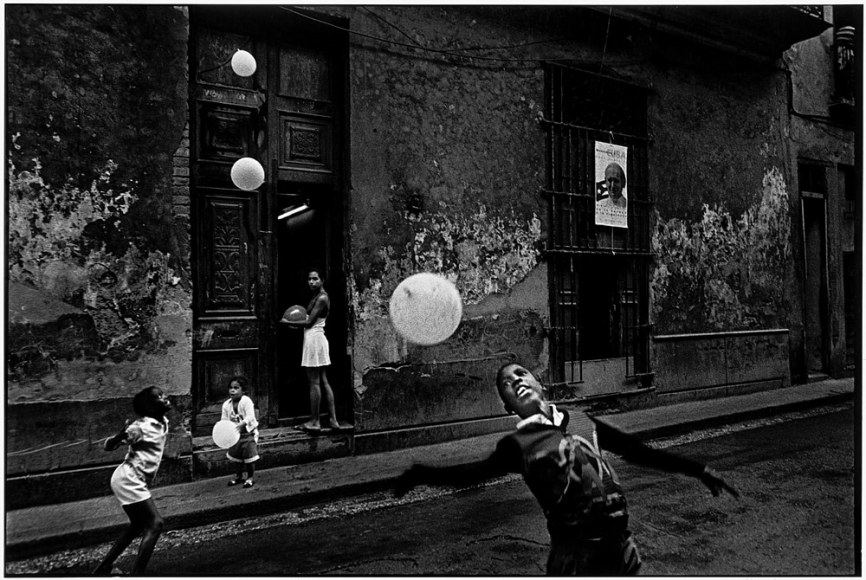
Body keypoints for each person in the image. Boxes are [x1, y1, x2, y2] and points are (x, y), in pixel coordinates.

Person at [394, 362, 739, 576]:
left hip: (620, 550)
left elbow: (636, 451)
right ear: (506, 405)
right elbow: (470, 475)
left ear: (540, 383)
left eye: (521, 373)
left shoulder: (581, 421)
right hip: (577, 558)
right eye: (506, 383)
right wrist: (420, 473)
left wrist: (699, 470)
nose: (515, 380)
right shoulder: (517, 445)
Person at [93, 386, 172, 576]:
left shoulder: (163, 422)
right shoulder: (140, 427)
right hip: (128, 478)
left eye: (163, 394)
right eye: (159, 397)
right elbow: (108, 446)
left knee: (137, 525)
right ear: (150, 406)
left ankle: (103, 567)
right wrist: (118, 436)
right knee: (155, 524)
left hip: (135, 478)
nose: (165, 397)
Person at [280, 268, 340, 433]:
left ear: (322, 280)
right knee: (323, 380)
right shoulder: (318, 296)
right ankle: (333, 420)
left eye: (315, 279)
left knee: (315, 382)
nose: (311, 282)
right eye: (309, 279)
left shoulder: (322, 298)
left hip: (315, 339)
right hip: (315, 339)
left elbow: (308, 323)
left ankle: (315, 422)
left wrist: (285, 322)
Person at [221, 375, 260, 488]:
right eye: (230, 388)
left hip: (248, 435)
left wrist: (241, 424)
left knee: (249, 458)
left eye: (236, 388)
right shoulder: (226, 405)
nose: (232, 390)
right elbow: (224, 419)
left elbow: (250, 416)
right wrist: (224, 429)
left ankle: (250, 477)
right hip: (235, 436)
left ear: (243, 390)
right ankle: (238, 476)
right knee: (236, 457)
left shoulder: (246, 401)